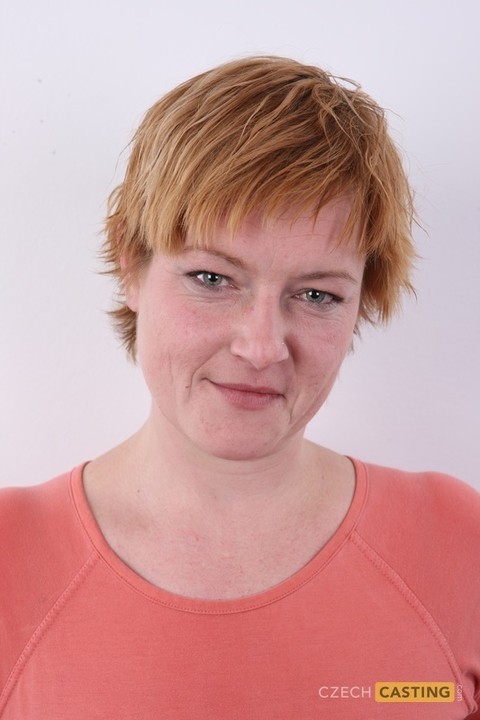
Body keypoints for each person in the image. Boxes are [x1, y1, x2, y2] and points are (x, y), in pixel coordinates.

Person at [0, 55, 479, 719]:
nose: (260, 347)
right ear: (130, 262)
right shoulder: (9, 559)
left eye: (316, 294)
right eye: (212, 279)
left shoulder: (458, 544)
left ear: (362, 300)